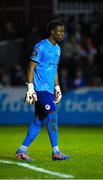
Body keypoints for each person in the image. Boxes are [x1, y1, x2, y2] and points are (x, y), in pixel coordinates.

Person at [16, 19, 70, 161]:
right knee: (53, 115)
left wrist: (57, 88)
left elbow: (54, 69)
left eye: (63, 31)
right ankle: (56, 152)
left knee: (37, 121)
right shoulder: (40, 47)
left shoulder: (57, 49)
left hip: (49, 90)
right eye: (59, 31)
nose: (62, 34)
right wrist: (30, 88)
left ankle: (22, 150)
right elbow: (31, 67)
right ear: (52, 31)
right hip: (40, 90)